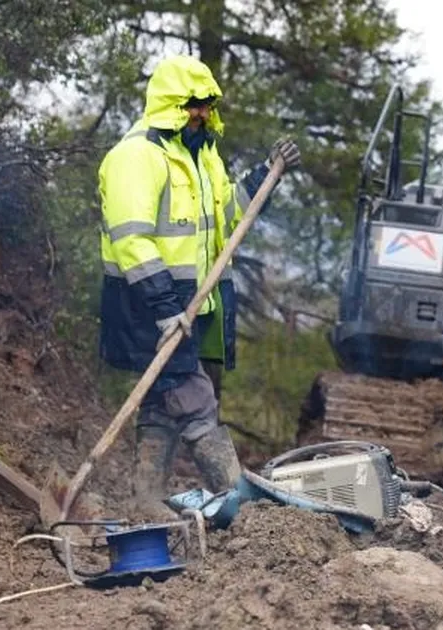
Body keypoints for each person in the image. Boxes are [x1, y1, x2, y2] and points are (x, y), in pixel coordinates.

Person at [97, 55, 301, 518]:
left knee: (162, 405)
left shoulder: (202, 156)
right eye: (194, 105)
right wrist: (165, 306)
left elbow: (231, 217)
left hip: (190, 304)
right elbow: (132, 240)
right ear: (171, 104)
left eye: (208, 105)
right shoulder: (136, 157)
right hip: (145, 304)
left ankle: (145, 499)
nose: (203, 114)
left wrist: (265, 175)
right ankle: (245, 507)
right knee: (195, 398)